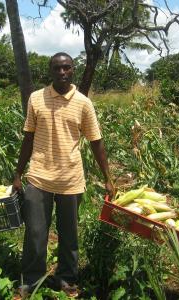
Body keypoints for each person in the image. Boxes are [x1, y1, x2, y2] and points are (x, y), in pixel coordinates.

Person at [12, 52, 114, 297]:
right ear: (50, 71)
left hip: (70, 179)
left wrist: (108, 178)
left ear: (73, 70)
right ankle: (32, 280)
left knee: (69, 234)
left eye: (66, 68)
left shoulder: (83, 103)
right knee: (36, 231)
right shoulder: (36, 99)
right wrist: (17, 173)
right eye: (57, 68)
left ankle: (67, 278)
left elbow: (96, 141)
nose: (62, 73)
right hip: (38, 176)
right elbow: (28, 137)